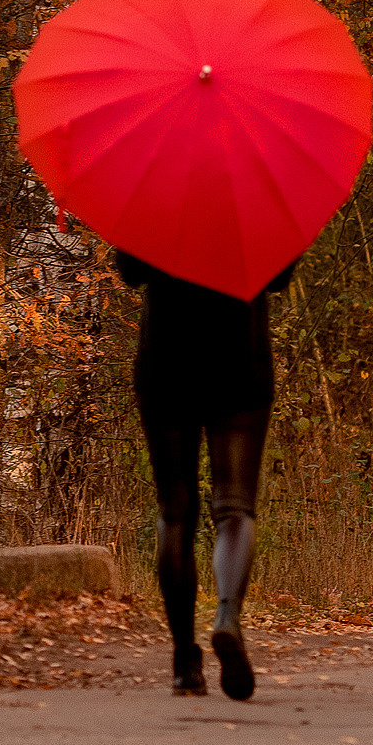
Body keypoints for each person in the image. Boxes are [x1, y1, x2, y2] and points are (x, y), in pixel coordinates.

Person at [115, 248, 293, 700]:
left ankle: (183, 663)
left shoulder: (153, 188)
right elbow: (279, 276)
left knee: (175, 512)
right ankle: (228, 615)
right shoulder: (258, 187)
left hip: (167, 363)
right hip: (239, 361)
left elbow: (131, 271)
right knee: (234, 507)